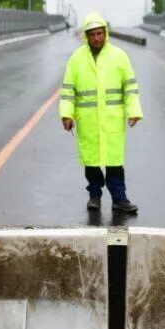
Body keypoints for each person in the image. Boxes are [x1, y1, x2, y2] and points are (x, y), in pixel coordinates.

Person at [60, 12, 143, 213]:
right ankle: (94, 197)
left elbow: (130, 87)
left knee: (114, 162)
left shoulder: (119, 56)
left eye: (99, 33)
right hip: (88, 121)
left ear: (105, 33)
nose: (96, 38)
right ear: (86, 37)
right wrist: (66, 114)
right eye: (92, 34)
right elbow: (68, 89)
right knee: (92, 162)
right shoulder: (77, 59)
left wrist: (134, 111)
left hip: (112, 121)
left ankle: (119, 199)